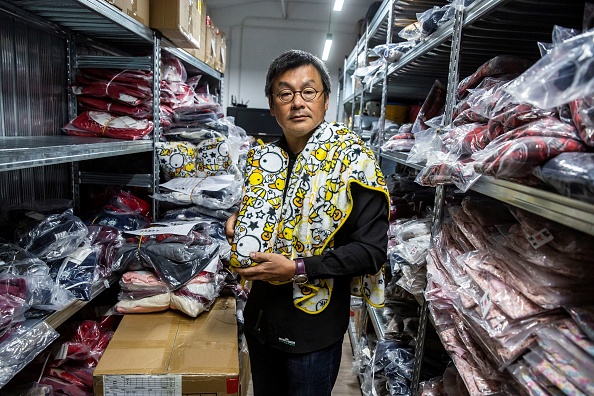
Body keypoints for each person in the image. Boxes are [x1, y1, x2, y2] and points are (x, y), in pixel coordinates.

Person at [225, 49, 390, 396]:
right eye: (285, 94)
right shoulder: (264, 159)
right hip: (259, 321)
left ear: (326, 100)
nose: (297, 103)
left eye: (308, 92)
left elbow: (371, 251)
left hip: (312, 333)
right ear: (272, 106)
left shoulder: (354, 161)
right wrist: (238, 223)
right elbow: (264, 214)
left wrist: (298, 268)